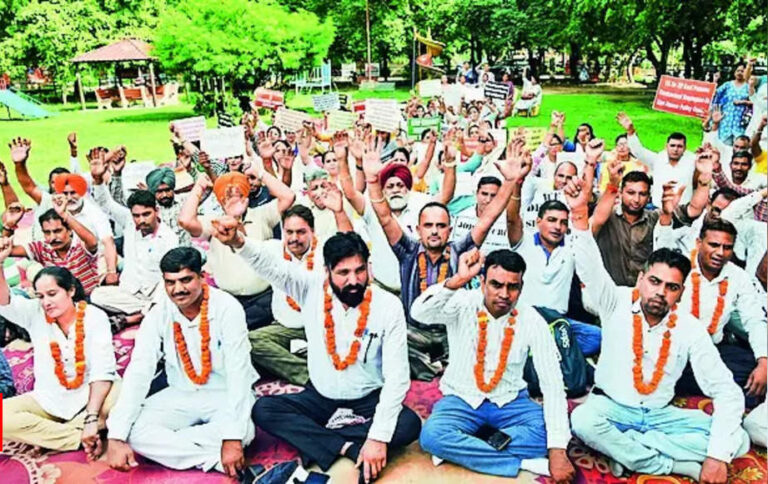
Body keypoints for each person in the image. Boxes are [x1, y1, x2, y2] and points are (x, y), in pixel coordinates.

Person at [564, 166, 750, 482]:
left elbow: (727, 391)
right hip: (611, 409)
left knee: (739, 439)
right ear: (641, 279)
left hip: (660, 417)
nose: (660, 293)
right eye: (654, 281)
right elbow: (589, 265)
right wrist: (580, 214)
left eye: (671, 287)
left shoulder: (688, 328)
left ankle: (633, 449)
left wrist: (718, 457)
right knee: (582, 420)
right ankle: (666, 464)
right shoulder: (616, 303)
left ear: (680, 293)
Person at [214, 226, 420, 482]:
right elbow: (273, 266)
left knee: (409, 425)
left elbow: (397, 377)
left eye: (359, 270)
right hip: (321, 396)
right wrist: (238, 241)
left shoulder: (387, 306)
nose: (353, 280)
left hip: (368, 399)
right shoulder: (310, 288)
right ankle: (348, 446)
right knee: (264, 410)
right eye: (343, 273)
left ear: (368, 267)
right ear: (327, 272)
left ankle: (323, 439)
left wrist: (378, 438)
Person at [362, 139, 525, 380]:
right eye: (429, 226)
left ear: (450, 230)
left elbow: (489, 217)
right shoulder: (408, 250)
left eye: (441, 226)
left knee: (482, 344)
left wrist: (510, 181)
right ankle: (436, 365)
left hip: (452, 330)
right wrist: (374, 181)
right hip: (414, 331)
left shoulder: (460, 249)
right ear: (418, 229)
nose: (435, 231)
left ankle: (435, 365)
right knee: (381, 343)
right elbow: (385, 217)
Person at [412, 248, 574, 481]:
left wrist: (557, 450)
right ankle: (520, 462)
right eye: (496, 285)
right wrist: (458, 280)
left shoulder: (532, 320)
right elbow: (420, 312)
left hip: (510, 402)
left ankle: (463, 447)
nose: (504, 294)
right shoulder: (462, 303)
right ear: (482, 282)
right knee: (432, 436)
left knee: (549, 434)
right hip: (462, 399)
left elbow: (552, 382)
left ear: (521, 287)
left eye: (512, 287)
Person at [106, 247, 257, 476]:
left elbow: (239, 372)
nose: (178, 289)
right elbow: (139, 370)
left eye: (186, 280)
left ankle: (177, 447)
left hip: (223, 393)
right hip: (182, 392)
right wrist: (116, 436)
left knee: (244, 432)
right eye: (170, 282)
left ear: (201, 276)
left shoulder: (227, 308)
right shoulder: (159, 313)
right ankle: (213, 459)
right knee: (133, 432)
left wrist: (232, 437)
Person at [0, 259, 118, 459]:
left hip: (89, 395)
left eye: (52, 294)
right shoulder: (35, 313)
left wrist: (90, 417)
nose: (46, 302)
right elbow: (5, 302)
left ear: (71, 291)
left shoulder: (94, 317)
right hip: (50, 399)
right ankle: (77, 436)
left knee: (121, 397)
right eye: (41, 296)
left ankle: (54, 435)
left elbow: (102, 371)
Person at [657, 217, 767, 408]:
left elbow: (755, 319)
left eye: (727, 247)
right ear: (699, 243)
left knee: (756, 367)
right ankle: (720, 388)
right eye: (714, 245)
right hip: (674, 351)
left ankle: (713, 386)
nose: (720, 253)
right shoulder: (680, 268)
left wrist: (763, 361)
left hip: (713, 350)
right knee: (660, 374)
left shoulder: (737, 276)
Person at [249, 197, 352, 386]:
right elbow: (244, 246)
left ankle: (309, 358)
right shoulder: (273, 250)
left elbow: (350, 247)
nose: (294, 238)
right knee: (252, 341)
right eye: (289, 232)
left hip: (325, 326)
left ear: (312, 231)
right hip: (286, 329)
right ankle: (309, 376)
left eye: (301, 232)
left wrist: (339, 212)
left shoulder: (326, 250)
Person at [179, 170, 295, 329]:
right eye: (227, 197)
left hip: (264, 300)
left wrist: (260, 172)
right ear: (220, 200)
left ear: (246, 196)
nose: (233, 200)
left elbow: (288, 197)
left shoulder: (262, 215)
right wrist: (199, 188)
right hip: (228, 300)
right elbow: (185, 220)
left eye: (239, 194)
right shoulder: (214, 223)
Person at [10, 138, 120, 284]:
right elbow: (28, 186)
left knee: (115, 264)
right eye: (65, 193)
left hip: (90, 262)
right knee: (27, 270)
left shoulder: (93, 212)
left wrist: (112, 272)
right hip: (50, 261)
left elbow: (107, 243)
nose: (68, 198)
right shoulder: (52, 202)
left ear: (81, 192)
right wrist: (20, 164)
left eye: (73, 193)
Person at [90, 156, 178, 324]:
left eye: (146, 214)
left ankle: (133, 318)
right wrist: (97, 179)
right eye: (136, 215)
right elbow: (105, 203)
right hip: (129, 292)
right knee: (97, 295)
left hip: (157, 293)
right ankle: (148, 312)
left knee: (168, 295)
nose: (141, 220)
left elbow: (168, 278)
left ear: (156, 211)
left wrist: (158, 299)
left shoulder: (169, 238)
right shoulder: (129, 224)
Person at [3, 206, 100, 295]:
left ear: (69, 230)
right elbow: (5, 250)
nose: (52, 237)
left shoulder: (81, 245)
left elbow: (92, 242)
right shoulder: (42, 248)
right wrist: (9, 225)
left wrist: (66, 215)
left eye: (57, 231)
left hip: (88, 300)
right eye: (47, 233)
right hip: (59, 304)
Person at [617, 112, 696, 207]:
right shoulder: (658, 160)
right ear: (666, 146)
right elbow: (638, 151)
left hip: (683, 211)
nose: (675, 149)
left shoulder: (692, 161)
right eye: (672, 146)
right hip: (658, 209)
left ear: (685, 148)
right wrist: (630, 131)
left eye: (679, 146)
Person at [145, 166, 192, 247]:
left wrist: (191, 169)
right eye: (159, 191)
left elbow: (207, 188)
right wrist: (117, 174)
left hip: (186, 255)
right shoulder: (147, 208)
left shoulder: (185, 202)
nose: (164, 195)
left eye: (167, 190)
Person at [712, 61, 753, 144]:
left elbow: (755, 102)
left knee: (739, 149)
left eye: (742, 71)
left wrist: (743, 102)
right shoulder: (728, 85)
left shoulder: (749, 86)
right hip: (726, 123)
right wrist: (715, 80)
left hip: (741, 124)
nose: (739, 73)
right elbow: (715, 94)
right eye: (738, 71)